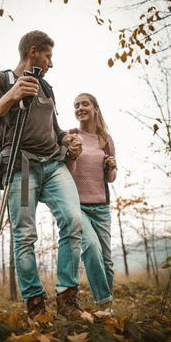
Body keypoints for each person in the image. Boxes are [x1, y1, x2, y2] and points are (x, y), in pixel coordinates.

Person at [0, 30, 83, 320]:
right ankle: (36, 303)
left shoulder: (47, 87)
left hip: (53, 165)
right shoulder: (1, 81)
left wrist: (66, 140)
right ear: (33, 52)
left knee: (73, 221)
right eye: (49, 56)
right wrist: (12, 95)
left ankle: (67, 298)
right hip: (22, 167)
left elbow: (56, 128)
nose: (51, 63)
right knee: (25, 235)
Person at [67, 92, 117, 314]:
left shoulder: (105, 139)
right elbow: (66, 172)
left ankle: (105, 312)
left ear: (95, 108)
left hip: (102, 207)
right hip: (78, 205)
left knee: (106, 260)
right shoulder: (70, 135)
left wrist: (111, 165)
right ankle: (103, 302)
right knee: (91, 247)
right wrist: (72, 155)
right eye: (76, 105)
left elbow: (111, 178)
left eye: (84, 104)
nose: (80, 108)